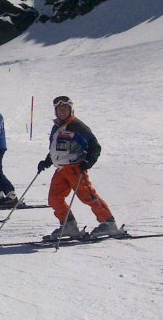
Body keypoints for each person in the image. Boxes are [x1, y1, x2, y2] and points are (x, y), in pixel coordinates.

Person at [37, 96, 118, 240]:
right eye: (59, 110)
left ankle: (108, 222)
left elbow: (95, 147)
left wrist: (88, 162)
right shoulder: (56, 127)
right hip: (61, 169)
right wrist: (47, 161)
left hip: (75, 168)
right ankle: (69, 225)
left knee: (88, 197)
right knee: (54, 199)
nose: (62, 112)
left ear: (70, 110)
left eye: (65, 109)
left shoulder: (77, 126)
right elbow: (56, 148)